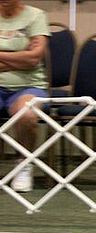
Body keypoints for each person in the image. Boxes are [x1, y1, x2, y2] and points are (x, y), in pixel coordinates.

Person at [0, 0, 49, 192]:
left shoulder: (36, 16)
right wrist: (20, 56)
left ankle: (24, 164)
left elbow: (34, 58)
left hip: (28, 86)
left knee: (27, 114)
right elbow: (27, 58)